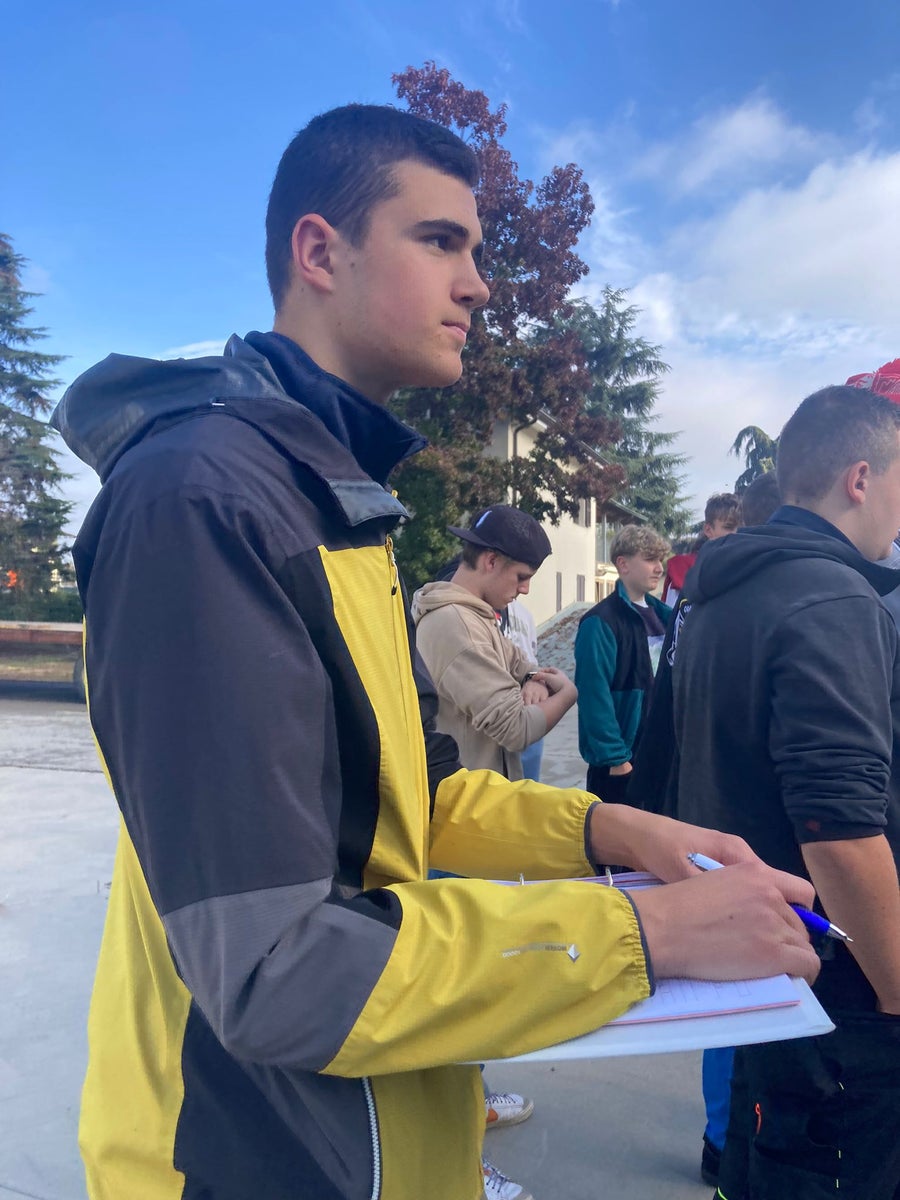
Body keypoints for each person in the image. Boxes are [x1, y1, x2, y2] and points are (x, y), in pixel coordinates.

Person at [51, 104, 821, 1200]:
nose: (480, 286)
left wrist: (610, 831)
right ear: (320, 252)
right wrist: (642, 932)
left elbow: (410, 798)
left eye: (479, 249)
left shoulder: (335, 507)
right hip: (239, 1162)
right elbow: (271, 969)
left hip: (380, 1140)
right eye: (440, 241)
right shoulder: (202, 501)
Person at [672, 385, 900, 1199]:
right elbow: (838, 828)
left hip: (765, 954)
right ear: (861, 479)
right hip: (844, 983)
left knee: (763, 1162)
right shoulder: (834, 598)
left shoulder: (718, 593)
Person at [412, 505, 575, 781]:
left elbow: (522, 664)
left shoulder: (475, 616)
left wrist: (533, 679)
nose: (525, 589)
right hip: (467, 800)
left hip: (481, 796)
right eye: (522, 577)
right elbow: (517, 728)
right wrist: (569, 694)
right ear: (491, 561)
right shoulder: (457, 625)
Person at [574, 524, 671, 804]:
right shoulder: (599, 622)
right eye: (650, 559)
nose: (659, 568)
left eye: (660, 560)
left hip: (662, 757)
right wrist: (615, 758)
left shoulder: (666, 617)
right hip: (622, 764)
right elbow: (593, 695)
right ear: (623, 564)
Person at [661, 492, 742, 607]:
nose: (736, 534)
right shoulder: (684, 569)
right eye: (728, 527)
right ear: (708, 530)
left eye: (742, 528)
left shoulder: (749, 567)